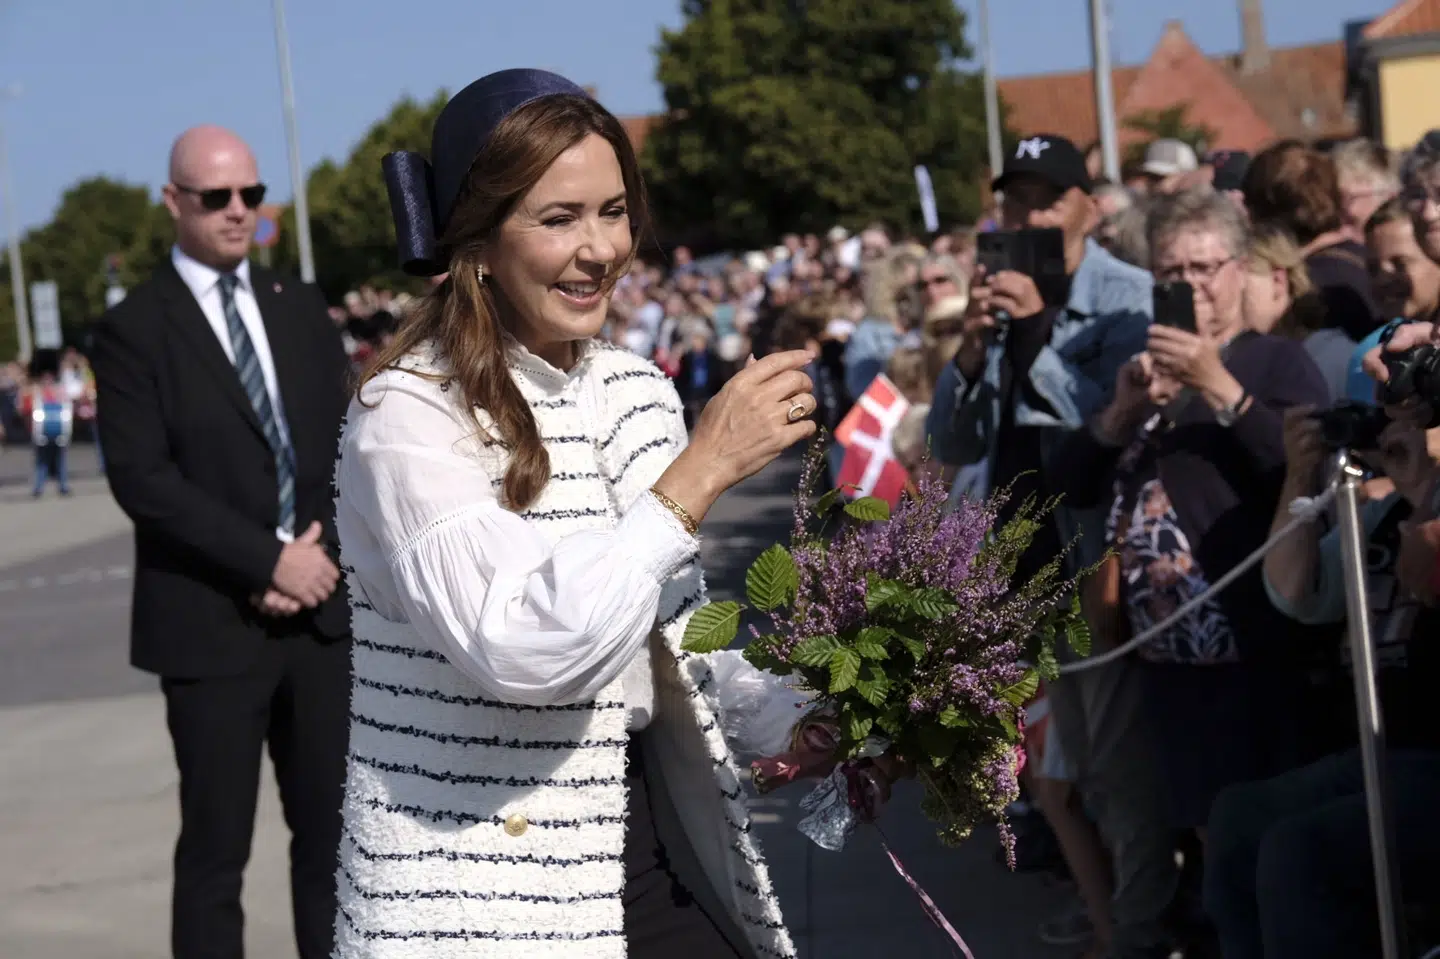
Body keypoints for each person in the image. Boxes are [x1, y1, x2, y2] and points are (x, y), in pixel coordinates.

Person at [335, 70, 821, 958]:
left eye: (613, 210)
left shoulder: (637, 388)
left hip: (639, 838)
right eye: (558, 219)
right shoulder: (406, 414)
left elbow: (677, 645)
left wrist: (801, 715)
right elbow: (521, 645)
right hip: (471, 884)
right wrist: (702, 469)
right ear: (475, 240)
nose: (599, 248)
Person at [90, 125, 352, 959]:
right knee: (215, 857)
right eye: (216, 197)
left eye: (250, 194)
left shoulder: (300, 305)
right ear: (173, 202)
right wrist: (268, 559)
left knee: (334, 847)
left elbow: (352, 446)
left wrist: (319, 555)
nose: (238, 212)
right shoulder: (133, 330)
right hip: (209, 630)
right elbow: (145, 481)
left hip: (318, 625)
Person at [925, 133, 1173, 959]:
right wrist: (968, 347)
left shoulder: (1126, 295)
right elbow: (953, 443)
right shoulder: (997, 300)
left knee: (1119, 771)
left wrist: (1035, 332)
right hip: (1027, 562)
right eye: (1013, 200)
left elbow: (1104, 424)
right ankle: (1117, 920)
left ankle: (1141, 935)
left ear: (1089, 208)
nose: (1026, 214)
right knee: (1077, 773)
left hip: (1099, 557)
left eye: (1045, 198)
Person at [1053, 187, 1330, 839]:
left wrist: (1219, 386)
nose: (1190, 285)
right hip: (1168, 670)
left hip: (1255, 666)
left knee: (1270, 836)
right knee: (1205, 839)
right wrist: (1121, 412)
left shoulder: (1274, 360)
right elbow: (1071, 483)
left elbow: (1301, 467)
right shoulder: (1145, 375)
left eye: (1203, 268)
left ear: (1239, 270)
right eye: (1173, 272)